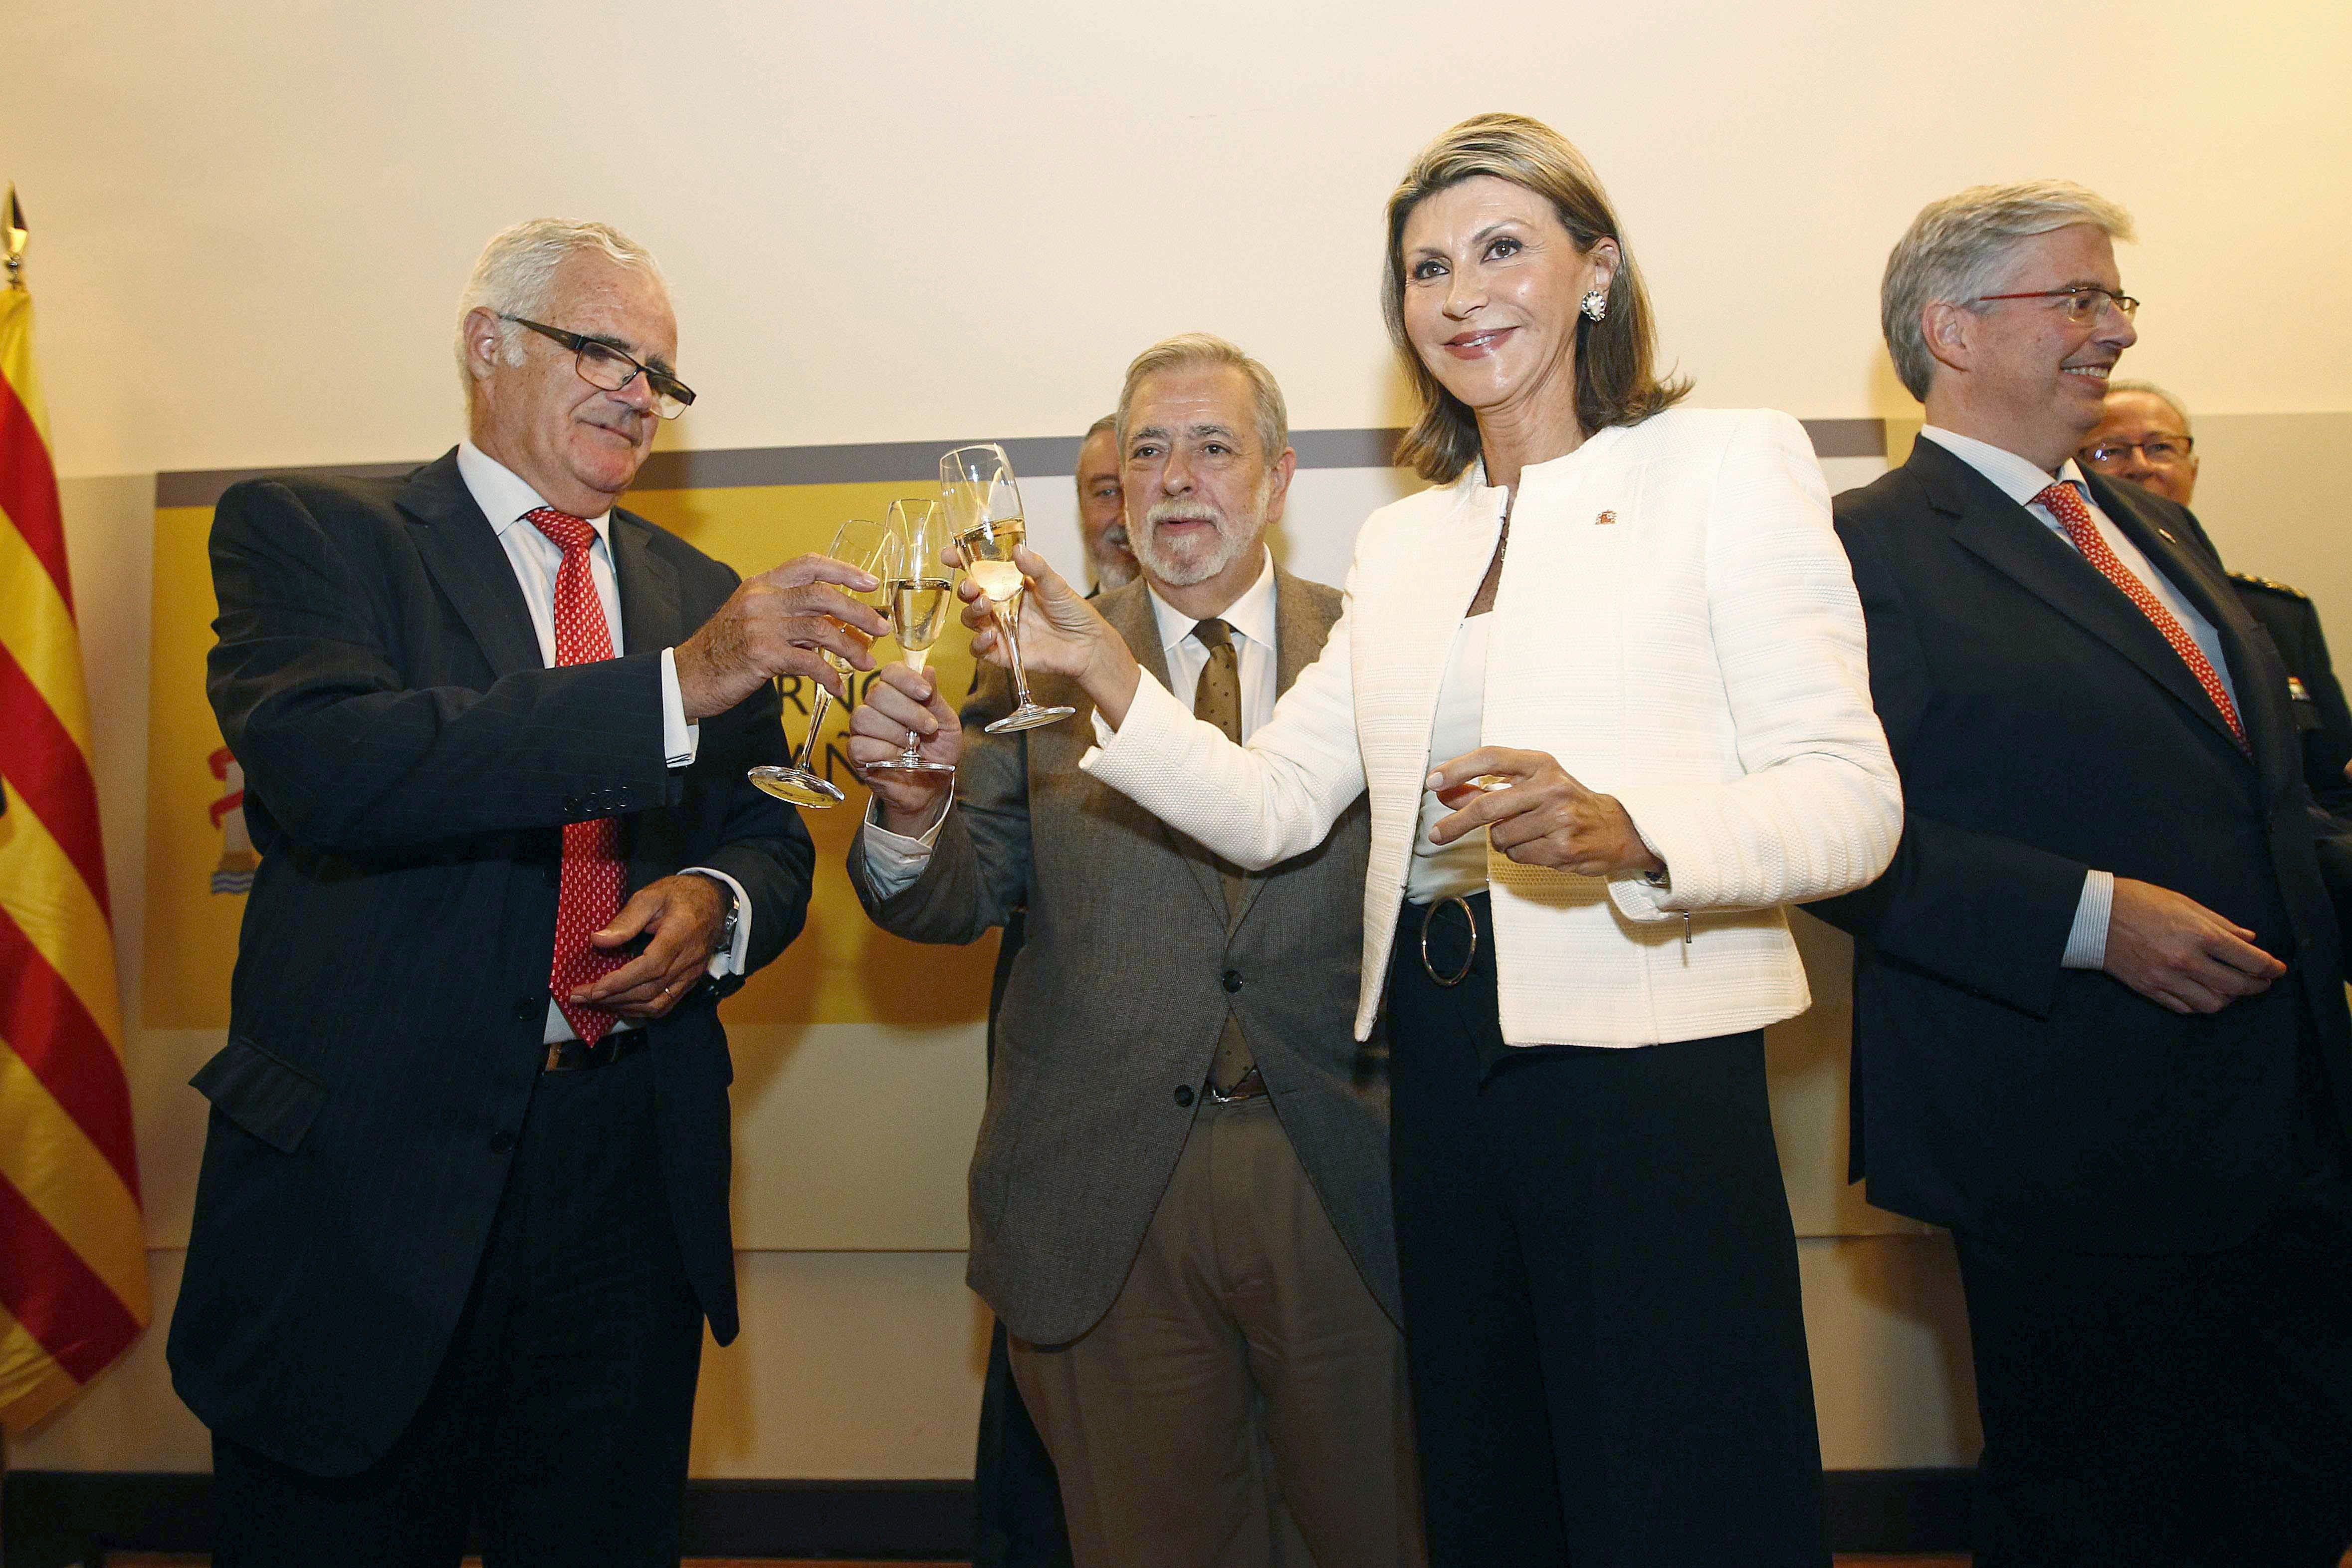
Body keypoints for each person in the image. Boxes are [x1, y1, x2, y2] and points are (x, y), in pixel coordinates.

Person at [952, 116, 1900, 1566]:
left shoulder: (1720, 467)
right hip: (1438, 1061)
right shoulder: (1408, 544)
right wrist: (1097, 676)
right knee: (1483, 1486)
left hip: (1642, 1068)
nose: (1460, 295)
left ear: (1593, 270)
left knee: (1673, 1484)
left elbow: (1847, 797)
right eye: (1424, 269)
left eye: (1500, 249)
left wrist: (1631, 827)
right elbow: (1269, 805)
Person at [167, 219, 888, 1566]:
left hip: (623, 1185)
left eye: (660, 374)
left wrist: (716, 902)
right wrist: (674, 687)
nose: (635, 390)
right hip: (366, 1201)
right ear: (486, 342)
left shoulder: (694, 587)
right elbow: (340, 769)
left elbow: (767, 838)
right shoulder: (317, 535)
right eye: (601, 348)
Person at [1811, 182, 2352, 1566]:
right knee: (2105, 1508)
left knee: (2288, 1488)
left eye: (2115, 299)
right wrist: (2089, 918)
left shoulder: (2150, 528)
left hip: (2282, 1124)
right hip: (2073, 1137)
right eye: (2079, 298)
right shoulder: (1860, 546)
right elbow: (1832, 835)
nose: (2112, 329)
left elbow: (2257, 800)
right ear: (1953, 328)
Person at [845, 334, 1420, 1568]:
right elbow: (952, 901)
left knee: (1381, 1534)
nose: (1175, 478)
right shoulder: (1025, 665)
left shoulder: (1380, 652)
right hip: (1107, 1201)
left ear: (1278, 478)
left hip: (1345, 1178)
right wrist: (906, 816)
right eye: (1148, 450)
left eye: (1213, 447)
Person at [2080, 379, 2352, 811]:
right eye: (2109, 451)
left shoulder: (2277, 613)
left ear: (2193, 468)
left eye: (2160, 448)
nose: (2140, 466)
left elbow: (2335, 781)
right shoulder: (2071, 608)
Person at [1073, 413, 1138, 591]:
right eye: (1108, 492)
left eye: (1139, 491)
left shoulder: (1215, 619)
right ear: (1081, 506)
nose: (1125, 519)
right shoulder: (1055, 620)